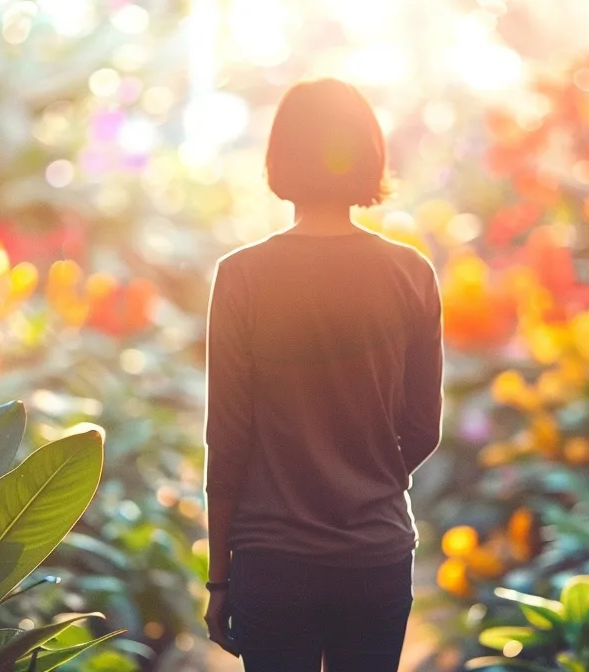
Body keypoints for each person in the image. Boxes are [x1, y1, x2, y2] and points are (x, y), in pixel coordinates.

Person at [201, 78, 445, 671]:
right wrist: (362, 478)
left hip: (273, 560)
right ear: (369, 155)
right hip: (377, 553)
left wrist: (218, 582)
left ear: (279, 159)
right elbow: (423, 428)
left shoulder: (243, 278)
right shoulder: (410, 273)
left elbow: (227, 442)